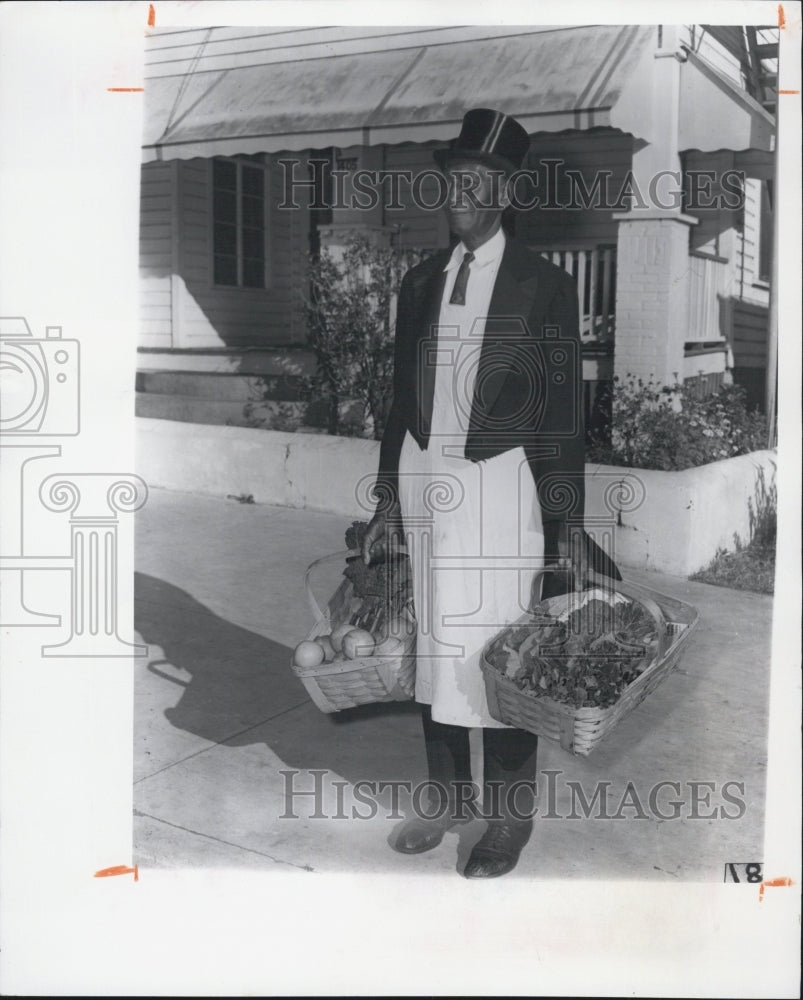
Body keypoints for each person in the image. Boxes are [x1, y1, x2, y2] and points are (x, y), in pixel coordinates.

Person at [361, 108, 620, 878]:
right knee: (431, 647)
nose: (460, 193)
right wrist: (383, 500)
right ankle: (446, 802)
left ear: (505, 193)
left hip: (499, 488)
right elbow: (396, 402)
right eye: (453, 178)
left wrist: (565, 520)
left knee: (500, 656)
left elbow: (561, 413)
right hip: (421, 481)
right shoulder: (419, 282)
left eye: (477, 181)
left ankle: (508, 822)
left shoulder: (543, 288)